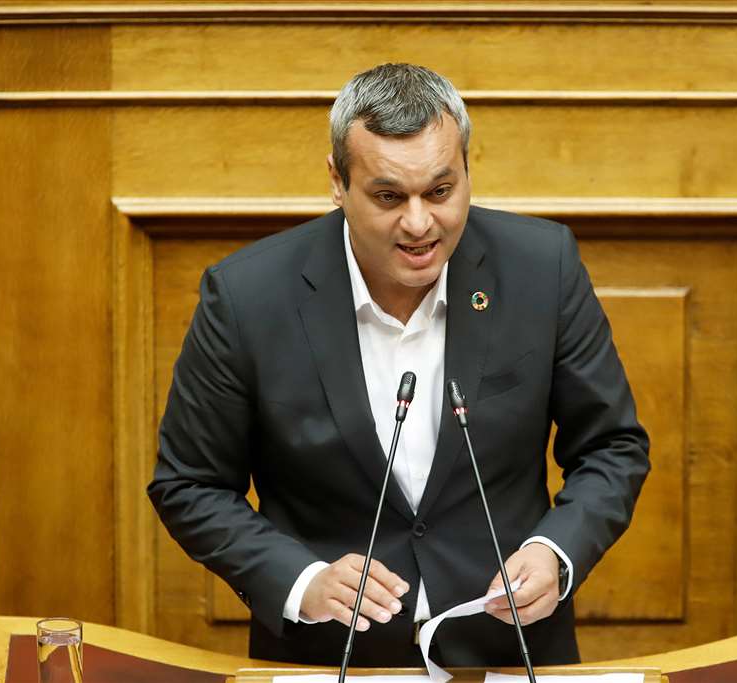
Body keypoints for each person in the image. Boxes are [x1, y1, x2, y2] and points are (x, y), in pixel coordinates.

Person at [148, 63, 650, 666]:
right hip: (333, 656)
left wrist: (555, 551)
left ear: (467, 170)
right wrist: (302, 581)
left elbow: (612, 446)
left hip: (506, 649)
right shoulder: (246, 298)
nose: (418, 223)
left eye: (440, 192)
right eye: (388, 196)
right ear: (337, 182)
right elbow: (189, 484)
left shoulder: (542, 268)